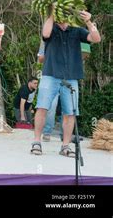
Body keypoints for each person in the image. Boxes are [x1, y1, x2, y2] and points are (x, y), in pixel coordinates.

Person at [30, 9, 101, 157]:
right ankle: (37, 142)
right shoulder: (51, 27)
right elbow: (45, 34)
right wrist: (51, 13)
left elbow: (96, 39)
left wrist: (88, 21)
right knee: (42, 108)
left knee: (70, 113)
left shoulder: (76, 30)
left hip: (70, 77)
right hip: (50, 74)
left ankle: (65, 146)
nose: (63, 16)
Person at [38, 41, 62, 141]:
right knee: (51, 107)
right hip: (51, 77)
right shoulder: (46, 41)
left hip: (68, 77)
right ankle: (47, 132)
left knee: (68, 109)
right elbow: (40, 59)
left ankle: (65, 135)